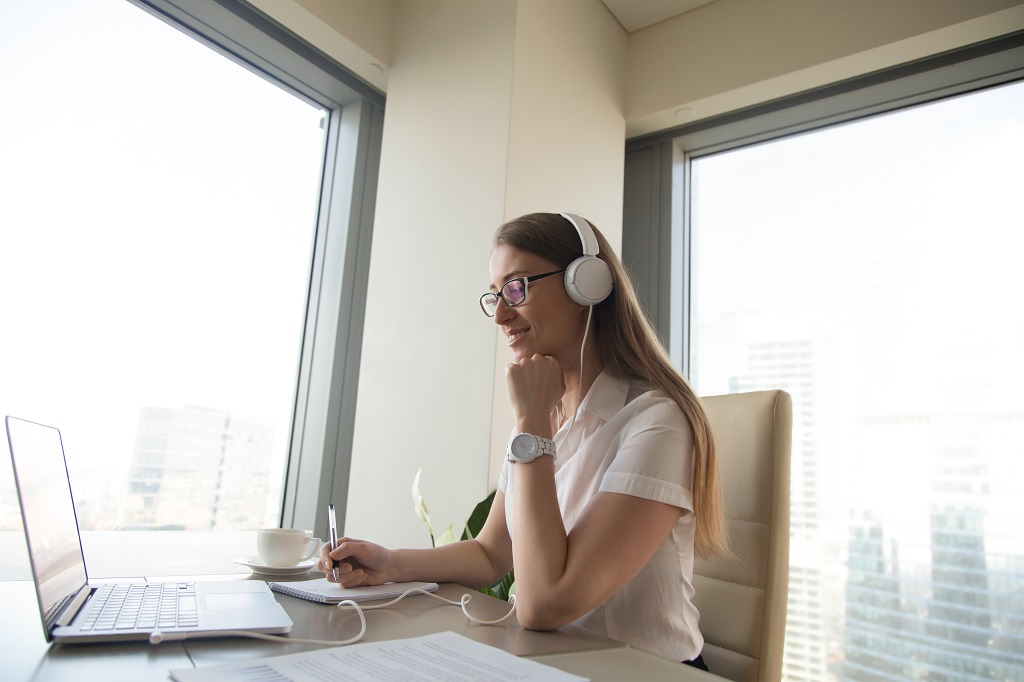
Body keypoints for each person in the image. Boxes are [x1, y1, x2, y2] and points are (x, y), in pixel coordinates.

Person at [318, 212, 730, 668]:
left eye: (516, 288)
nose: (499, 314)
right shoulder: (542, 416)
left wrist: (531, 422)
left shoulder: (657, 423)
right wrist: (390, 564)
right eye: (494, 295)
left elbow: (543, 604)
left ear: (585, 286)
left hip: (644, 673)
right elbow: (490, 552)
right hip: (549, 661)